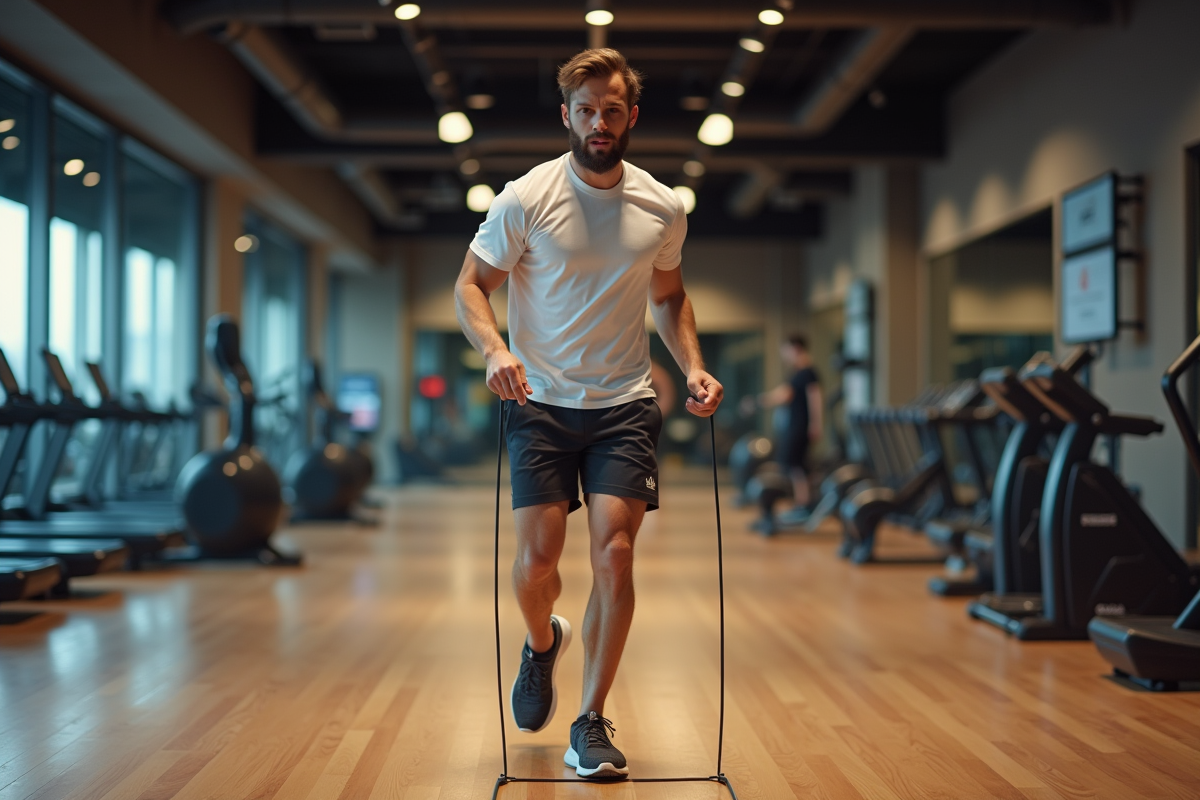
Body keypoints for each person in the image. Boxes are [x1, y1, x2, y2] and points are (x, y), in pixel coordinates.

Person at [454, 48, 724, 781]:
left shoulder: (662, 206)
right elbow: (472, 286)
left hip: (623, 405)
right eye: (586, 109)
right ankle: (543, 645)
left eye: (612, 110)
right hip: (538, 402)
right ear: (566, 115)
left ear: (630, 116)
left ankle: (591, 719)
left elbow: (668, 297)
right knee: (536, 563)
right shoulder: (525, 197)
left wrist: (692, 364)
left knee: (616, 552)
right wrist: (493, 349)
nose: (599, 122)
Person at [746, 336, 822, 522]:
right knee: (797, 464)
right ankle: (802, 502)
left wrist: (816, 423)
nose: (784, 355)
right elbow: (783, 394)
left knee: (796, 464)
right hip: (795, 425)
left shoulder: (807, 372)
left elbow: (815, 398)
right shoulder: (797, 373)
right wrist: (759, 401)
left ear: (795, 348)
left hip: (800, 426)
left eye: (786, 350)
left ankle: (803, 504)